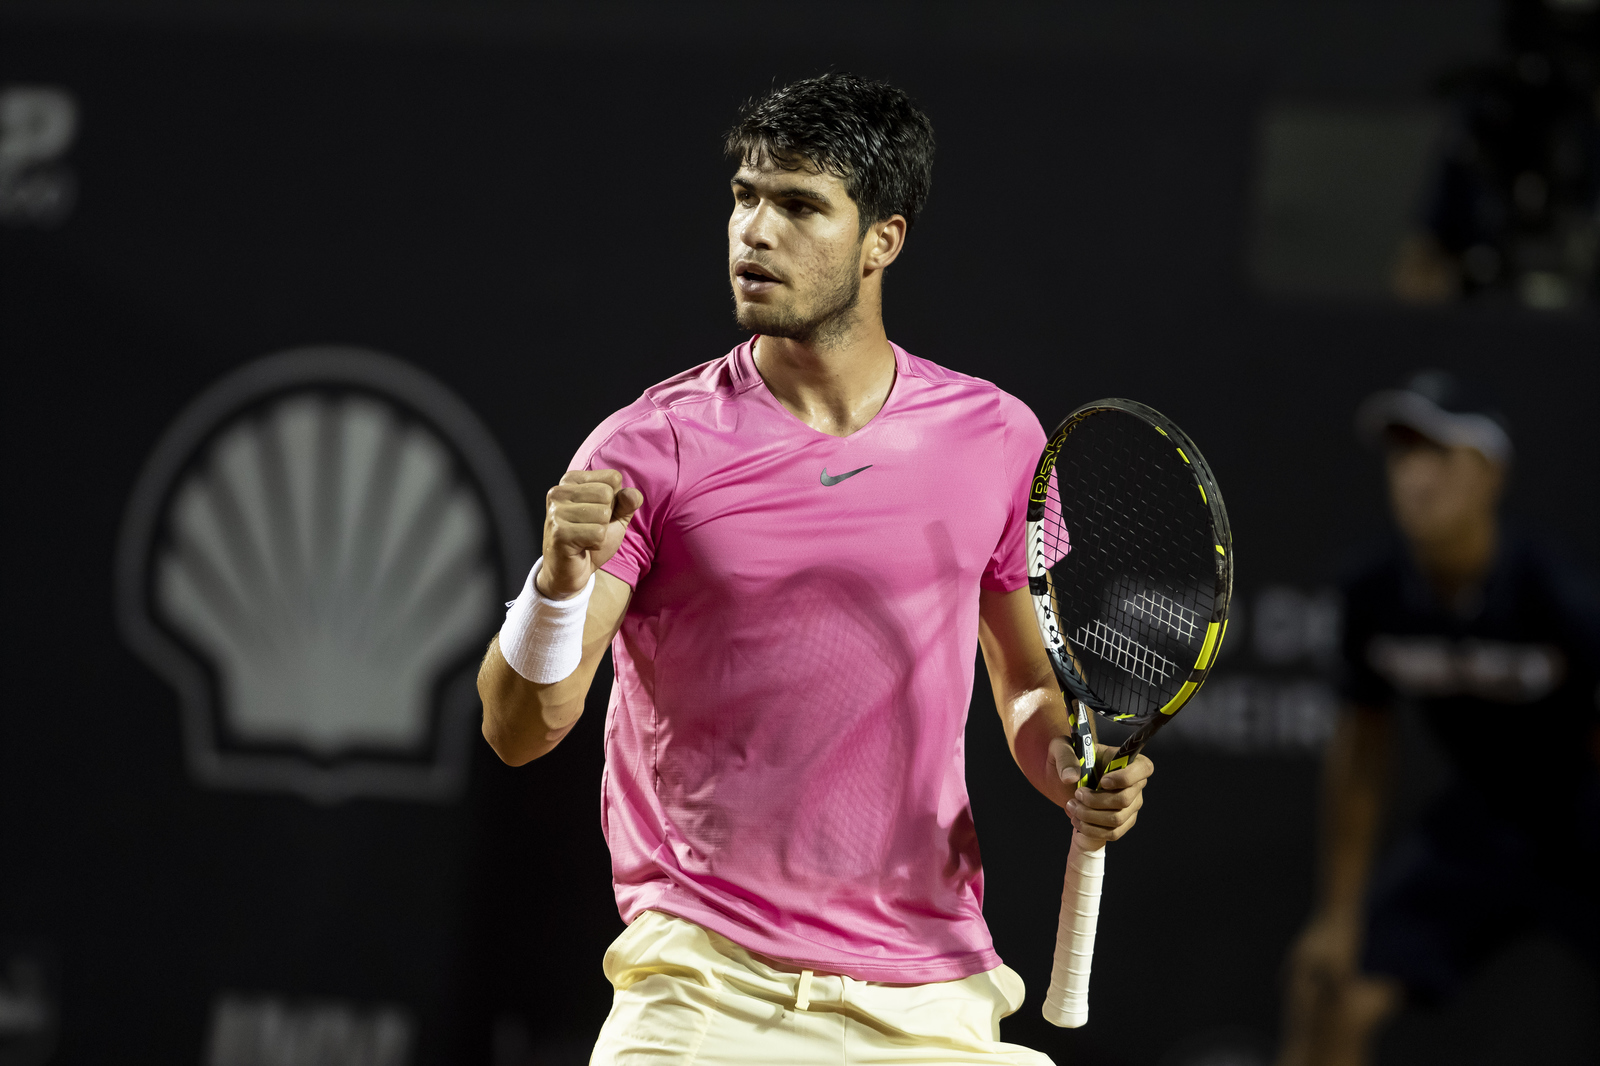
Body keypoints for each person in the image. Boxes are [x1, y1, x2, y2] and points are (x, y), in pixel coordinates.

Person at [476, 73, 1154, 1065]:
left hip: (930, 991)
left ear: (883, 240)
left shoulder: (997, 437)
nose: (754, 231)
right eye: (745, 197)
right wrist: (556, 585)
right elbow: (518, 729)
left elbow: (1025, 689)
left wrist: (1069, 769)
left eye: (798, 206)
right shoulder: (647, 449)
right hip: (707, 990)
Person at [1277, 371, 1600, 1066]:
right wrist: (1339, 914)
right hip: (1477, 824)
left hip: (1583, 822)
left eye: (1440, 455)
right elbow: (1363, 749)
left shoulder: (1558, 592)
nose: (1416, 477)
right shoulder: (1374, 592)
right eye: (1403, 456)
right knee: (1330, 986)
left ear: (1489, 475)